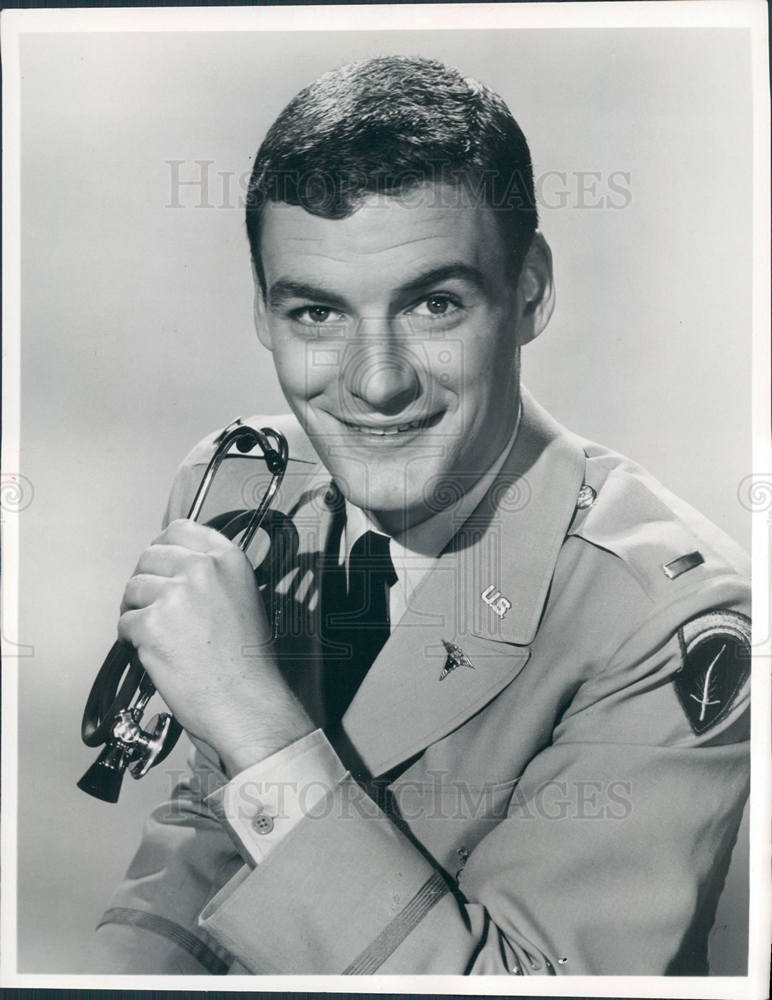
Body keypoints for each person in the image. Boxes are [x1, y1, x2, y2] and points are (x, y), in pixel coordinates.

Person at [87, 55, 750, 976]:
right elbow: (208, 831)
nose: (377, 381)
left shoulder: (663, 623)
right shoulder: (245, 487)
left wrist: (252, 715)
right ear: (263, 311)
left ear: (531, 291)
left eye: (435, 303)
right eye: (316, 313)